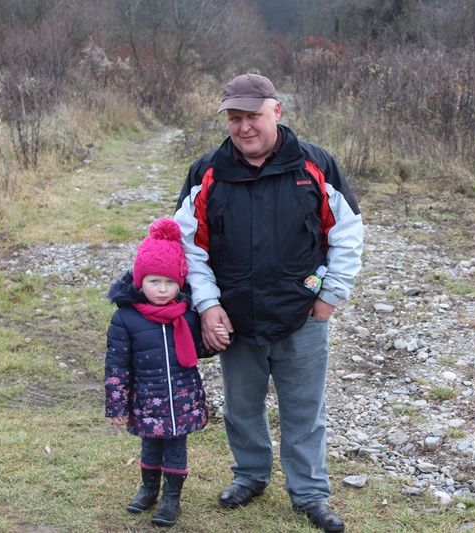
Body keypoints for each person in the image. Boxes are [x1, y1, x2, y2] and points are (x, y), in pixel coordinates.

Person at [174, 73, 364, 532]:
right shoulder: (207, 172)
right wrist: (208, 305)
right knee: (241, 407)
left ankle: (310, 493)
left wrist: (330, 297)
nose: (244, 127)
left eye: (253, 116)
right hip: (235, 318)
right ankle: (250, 476)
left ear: (276, 111)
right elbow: (189, 247)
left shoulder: (316, 165)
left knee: (305, 410)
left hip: (303, 315)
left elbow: (347, 232)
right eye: (235, 118)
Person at [104, 218, 208, 528]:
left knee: (175, 447)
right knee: (150, 444)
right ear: (140, 281)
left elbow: (201, 348)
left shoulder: (188, 315)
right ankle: (148, 489)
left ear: (180, 283)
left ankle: (171, 498)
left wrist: (217, 335)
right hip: (147, 399)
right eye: (154, 281)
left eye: (169, 282)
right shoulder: (125, 318)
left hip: (182, 398)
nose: (162, 289)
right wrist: (116, 405)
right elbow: (117, 364)